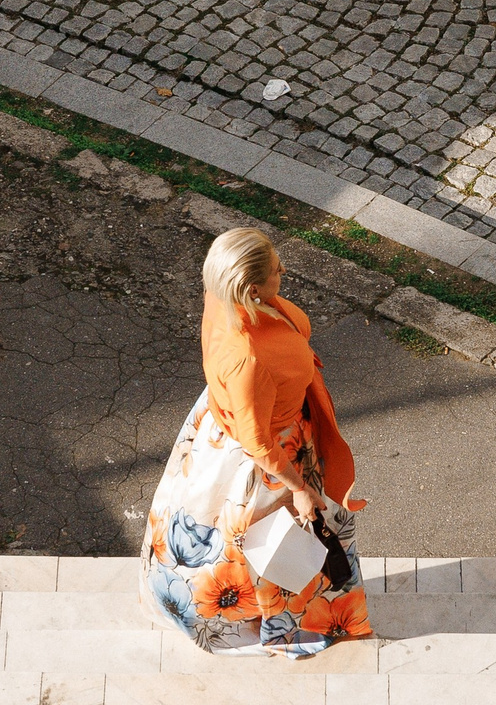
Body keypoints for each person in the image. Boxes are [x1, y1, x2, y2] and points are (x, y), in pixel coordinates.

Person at [140, 228, 374, 654]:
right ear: (249, 287)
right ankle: (285, 622)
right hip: (273, 456)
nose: (283, 271)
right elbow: (259, 445)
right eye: (275, 271)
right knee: (282, 539)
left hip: (237, 425)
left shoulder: (223, 297)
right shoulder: (248, 359)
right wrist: (299, 489)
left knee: (243, 538)